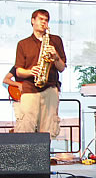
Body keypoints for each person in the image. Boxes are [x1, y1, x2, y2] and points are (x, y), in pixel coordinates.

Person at [14, 9, 66, 139]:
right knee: (25, 126)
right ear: (33, 21)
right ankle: (25, 158)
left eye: (46, 20)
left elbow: (62, 68)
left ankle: (44, 158)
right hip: (30, 89)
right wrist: (30, 71)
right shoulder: (23, 44)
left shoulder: (56, 40)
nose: (44, 22)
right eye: (40, 19)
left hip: (50, 88)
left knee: (48, 128)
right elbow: (18, 71)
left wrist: (55, 56)